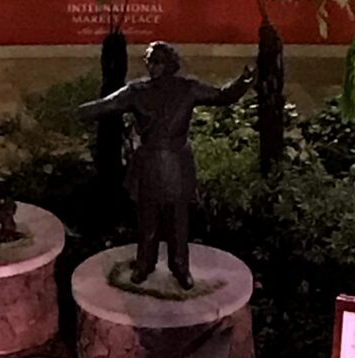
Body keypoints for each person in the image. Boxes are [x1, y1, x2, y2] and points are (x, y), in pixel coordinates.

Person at [79, 41, 254, 290]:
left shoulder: (188, 89)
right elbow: (106, 105)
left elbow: (222, 96)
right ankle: (144, 264)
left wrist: (243, 81)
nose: (151, 66)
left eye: (157, 61)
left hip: (176, 163)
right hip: (149, 162)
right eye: (149, 61)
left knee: (178, 221)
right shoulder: (136, 92)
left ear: (169, 64)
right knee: (147, 219)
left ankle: (180, 266)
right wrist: (74, 112)